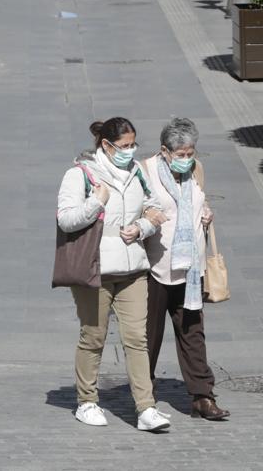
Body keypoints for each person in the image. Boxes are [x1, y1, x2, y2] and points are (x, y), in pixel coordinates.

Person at [57, 117, 171, 432]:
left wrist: (142, 227)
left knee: (137, 338)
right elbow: (66, 220)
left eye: (133, 144)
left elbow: (154, 210)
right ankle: (87, 401)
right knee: (93, 337)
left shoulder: (137, 173)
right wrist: (97, 201)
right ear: (106, 145)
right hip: (95, 270)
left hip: (133, 269)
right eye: (124, 146)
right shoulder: (80, 174)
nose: (130, 150)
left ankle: (146, 408)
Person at [141, 118, 230, 421]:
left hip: (190, 269)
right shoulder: (145, 171)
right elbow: (136, 209)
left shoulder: (196, 170)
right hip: (155, 267)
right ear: (164, 151)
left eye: (190, 152)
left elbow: (197, 201)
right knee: (147, 336)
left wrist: (204, 214)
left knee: (193, 333)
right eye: (180, 154)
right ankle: (144, 397)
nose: (187, 159)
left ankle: (202, 396)